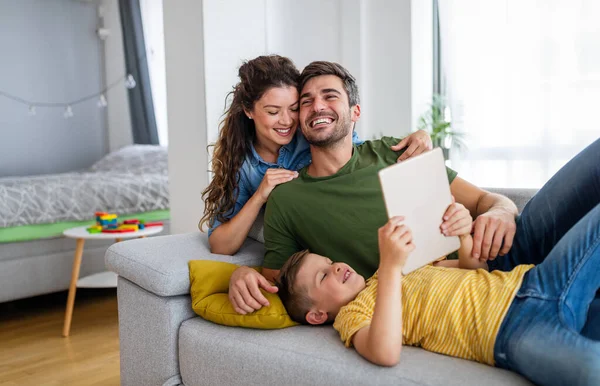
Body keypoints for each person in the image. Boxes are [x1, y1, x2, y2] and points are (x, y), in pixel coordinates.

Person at [228, 60, 600, 340]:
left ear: (354, 113)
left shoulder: (394, 152)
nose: (317, 106)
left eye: (330, 96)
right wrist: (240, 273)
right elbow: (283, 283)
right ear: (299, 118)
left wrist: (502, 211)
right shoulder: (288, 198)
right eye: (305, 101)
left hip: (505, 248)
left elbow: (487, 200)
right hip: (459, 293)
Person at [275, 206, 600, 386]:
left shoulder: (402, 266)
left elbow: (474, 268)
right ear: (317, 315)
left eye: (329, 262)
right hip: (513, 331)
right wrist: (389, 266)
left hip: (535, 281)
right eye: (323, 275)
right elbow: (385, 353)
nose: (336, 268)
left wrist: (462, 233)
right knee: (590, 370)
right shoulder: (352, 315)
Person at [199, 55, 432, 256]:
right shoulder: (242, 164)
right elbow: (220, 245)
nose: (287, 121)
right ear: (249, 111)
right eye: (273, 112)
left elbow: (359, 156)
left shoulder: (312, 133)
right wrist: (260, 195)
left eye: (293, 108)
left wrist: (420, 137)